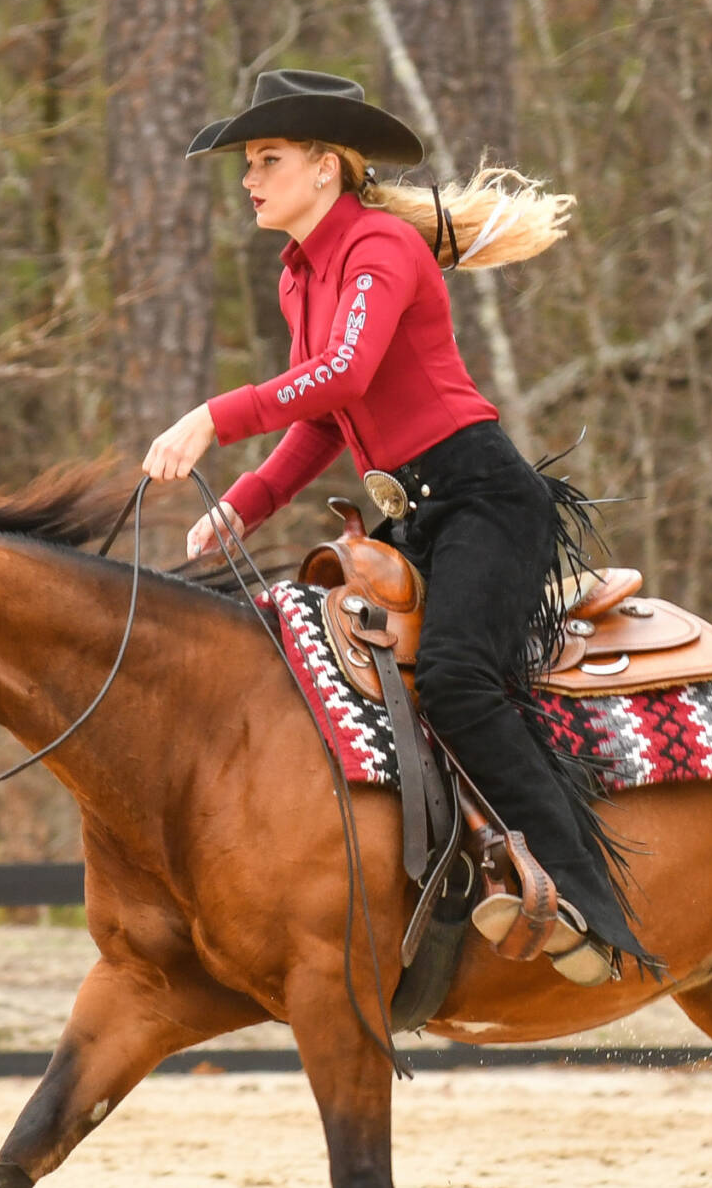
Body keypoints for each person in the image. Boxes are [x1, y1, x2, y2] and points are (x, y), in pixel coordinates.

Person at [142, 68, 641, 977]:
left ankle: (584, 906)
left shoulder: (378, 248)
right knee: (336, 668)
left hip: (485, 500)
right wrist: (242, 506)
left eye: (268, 158)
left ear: (327, 168)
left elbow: (341, 375)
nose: (249, 178)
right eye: (248, 162)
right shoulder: (300, 275)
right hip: (418, 513)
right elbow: (325, 421)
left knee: (454, 678)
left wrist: (215, 415)